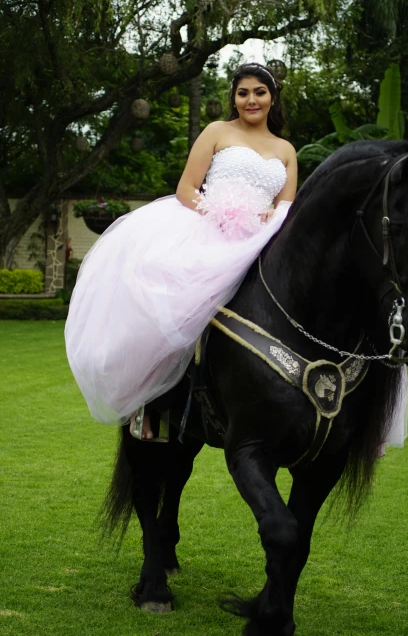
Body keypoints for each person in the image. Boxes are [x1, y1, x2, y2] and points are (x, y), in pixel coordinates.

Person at [65, 63, 297, 438]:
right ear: (233, 99)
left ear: (272, 97)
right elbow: (187, 188)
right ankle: (152, 405)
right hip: (209, 229)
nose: (251, 99)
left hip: (262, 239)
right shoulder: (217, 131)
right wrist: (219, 214)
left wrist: (271, 217)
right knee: (172, 306)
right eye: (243, 93)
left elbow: (287, 206)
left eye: (259, 92)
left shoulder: (286, 149)